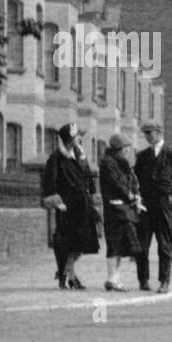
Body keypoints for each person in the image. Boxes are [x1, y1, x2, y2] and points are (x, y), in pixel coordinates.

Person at [41, 123, 100, 290]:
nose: (80, 138)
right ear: (69, 139)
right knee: (68, 243)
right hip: (67, 207)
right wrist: (57, 203)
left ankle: (65, 273)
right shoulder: (56, 158)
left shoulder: (80, 154)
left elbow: (89, 176)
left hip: (83, 205)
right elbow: (49, 183)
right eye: (77, 136)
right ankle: (69, 277)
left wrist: (94, 193)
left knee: (84, 243)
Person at [134, 121, 172, 293]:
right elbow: (133, 178)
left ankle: (164, 281)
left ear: (159, 133)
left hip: (164, 204)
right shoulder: (142, 156)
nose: (147, 136)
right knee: (142, 245)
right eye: (145, 133)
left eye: (149, 132)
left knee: (164, 245)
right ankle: (143, 280)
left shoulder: (171, 154)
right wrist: (136, 196)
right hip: (145, 205)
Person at [98, 133, 143, 291]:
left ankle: (115, 278)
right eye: (125, 149)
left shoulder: (122, 163)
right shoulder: (108, 164)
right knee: (114, 244)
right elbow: (116, 184)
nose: (127, 152)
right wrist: (130, 196)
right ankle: (112, 278)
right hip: (114, 208)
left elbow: (132, 181)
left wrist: (136, 195)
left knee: (119, 245)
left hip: (122, 209)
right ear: (118, 149)